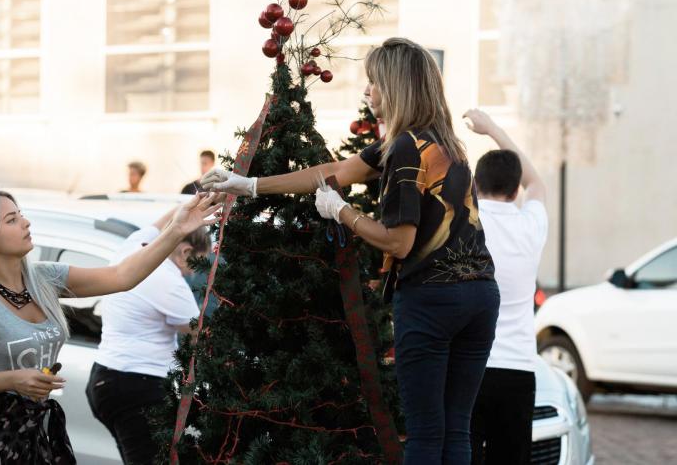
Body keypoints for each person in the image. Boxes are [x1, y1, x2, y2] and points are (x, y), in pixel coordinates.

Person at [201, 38, 499, 464]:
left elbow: (399, 242)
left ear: (394, 88)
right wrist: (247, 184)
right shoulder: (443, 144)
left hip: (431, 299)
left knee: (425, 435)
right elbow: (335, 171)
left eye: (373, 83)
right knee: (455, 431)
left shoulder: (404, 150)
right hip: (481, 296)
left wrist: (343, 213)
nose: (367, 93)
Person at [0, 189, 221, 464]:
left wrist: (176, 231)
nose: (26, 222)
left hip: (39, 430)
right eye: (12, 219)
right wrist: (12, 379)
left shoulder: (44, 278)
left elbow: (121, 276)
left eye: (21, 214)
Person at [86, 205, 211, 464]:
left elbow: (163, 222)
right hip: (137, 385)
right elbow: (202, 333)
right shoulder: (167, 279)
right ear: (185, 251)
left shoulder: (133, 246)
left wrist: (195, 203)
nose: (195, 272)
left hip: (105, 378)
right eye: (197, 263)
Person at [463, 109, 548, 465]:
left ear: (475, 186)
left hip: (470, 366)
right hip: (517, 371)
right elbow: (537, 183)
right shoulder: (530, 226)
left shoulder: (466, 223)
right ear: (515, 191)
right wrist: (493, 129)